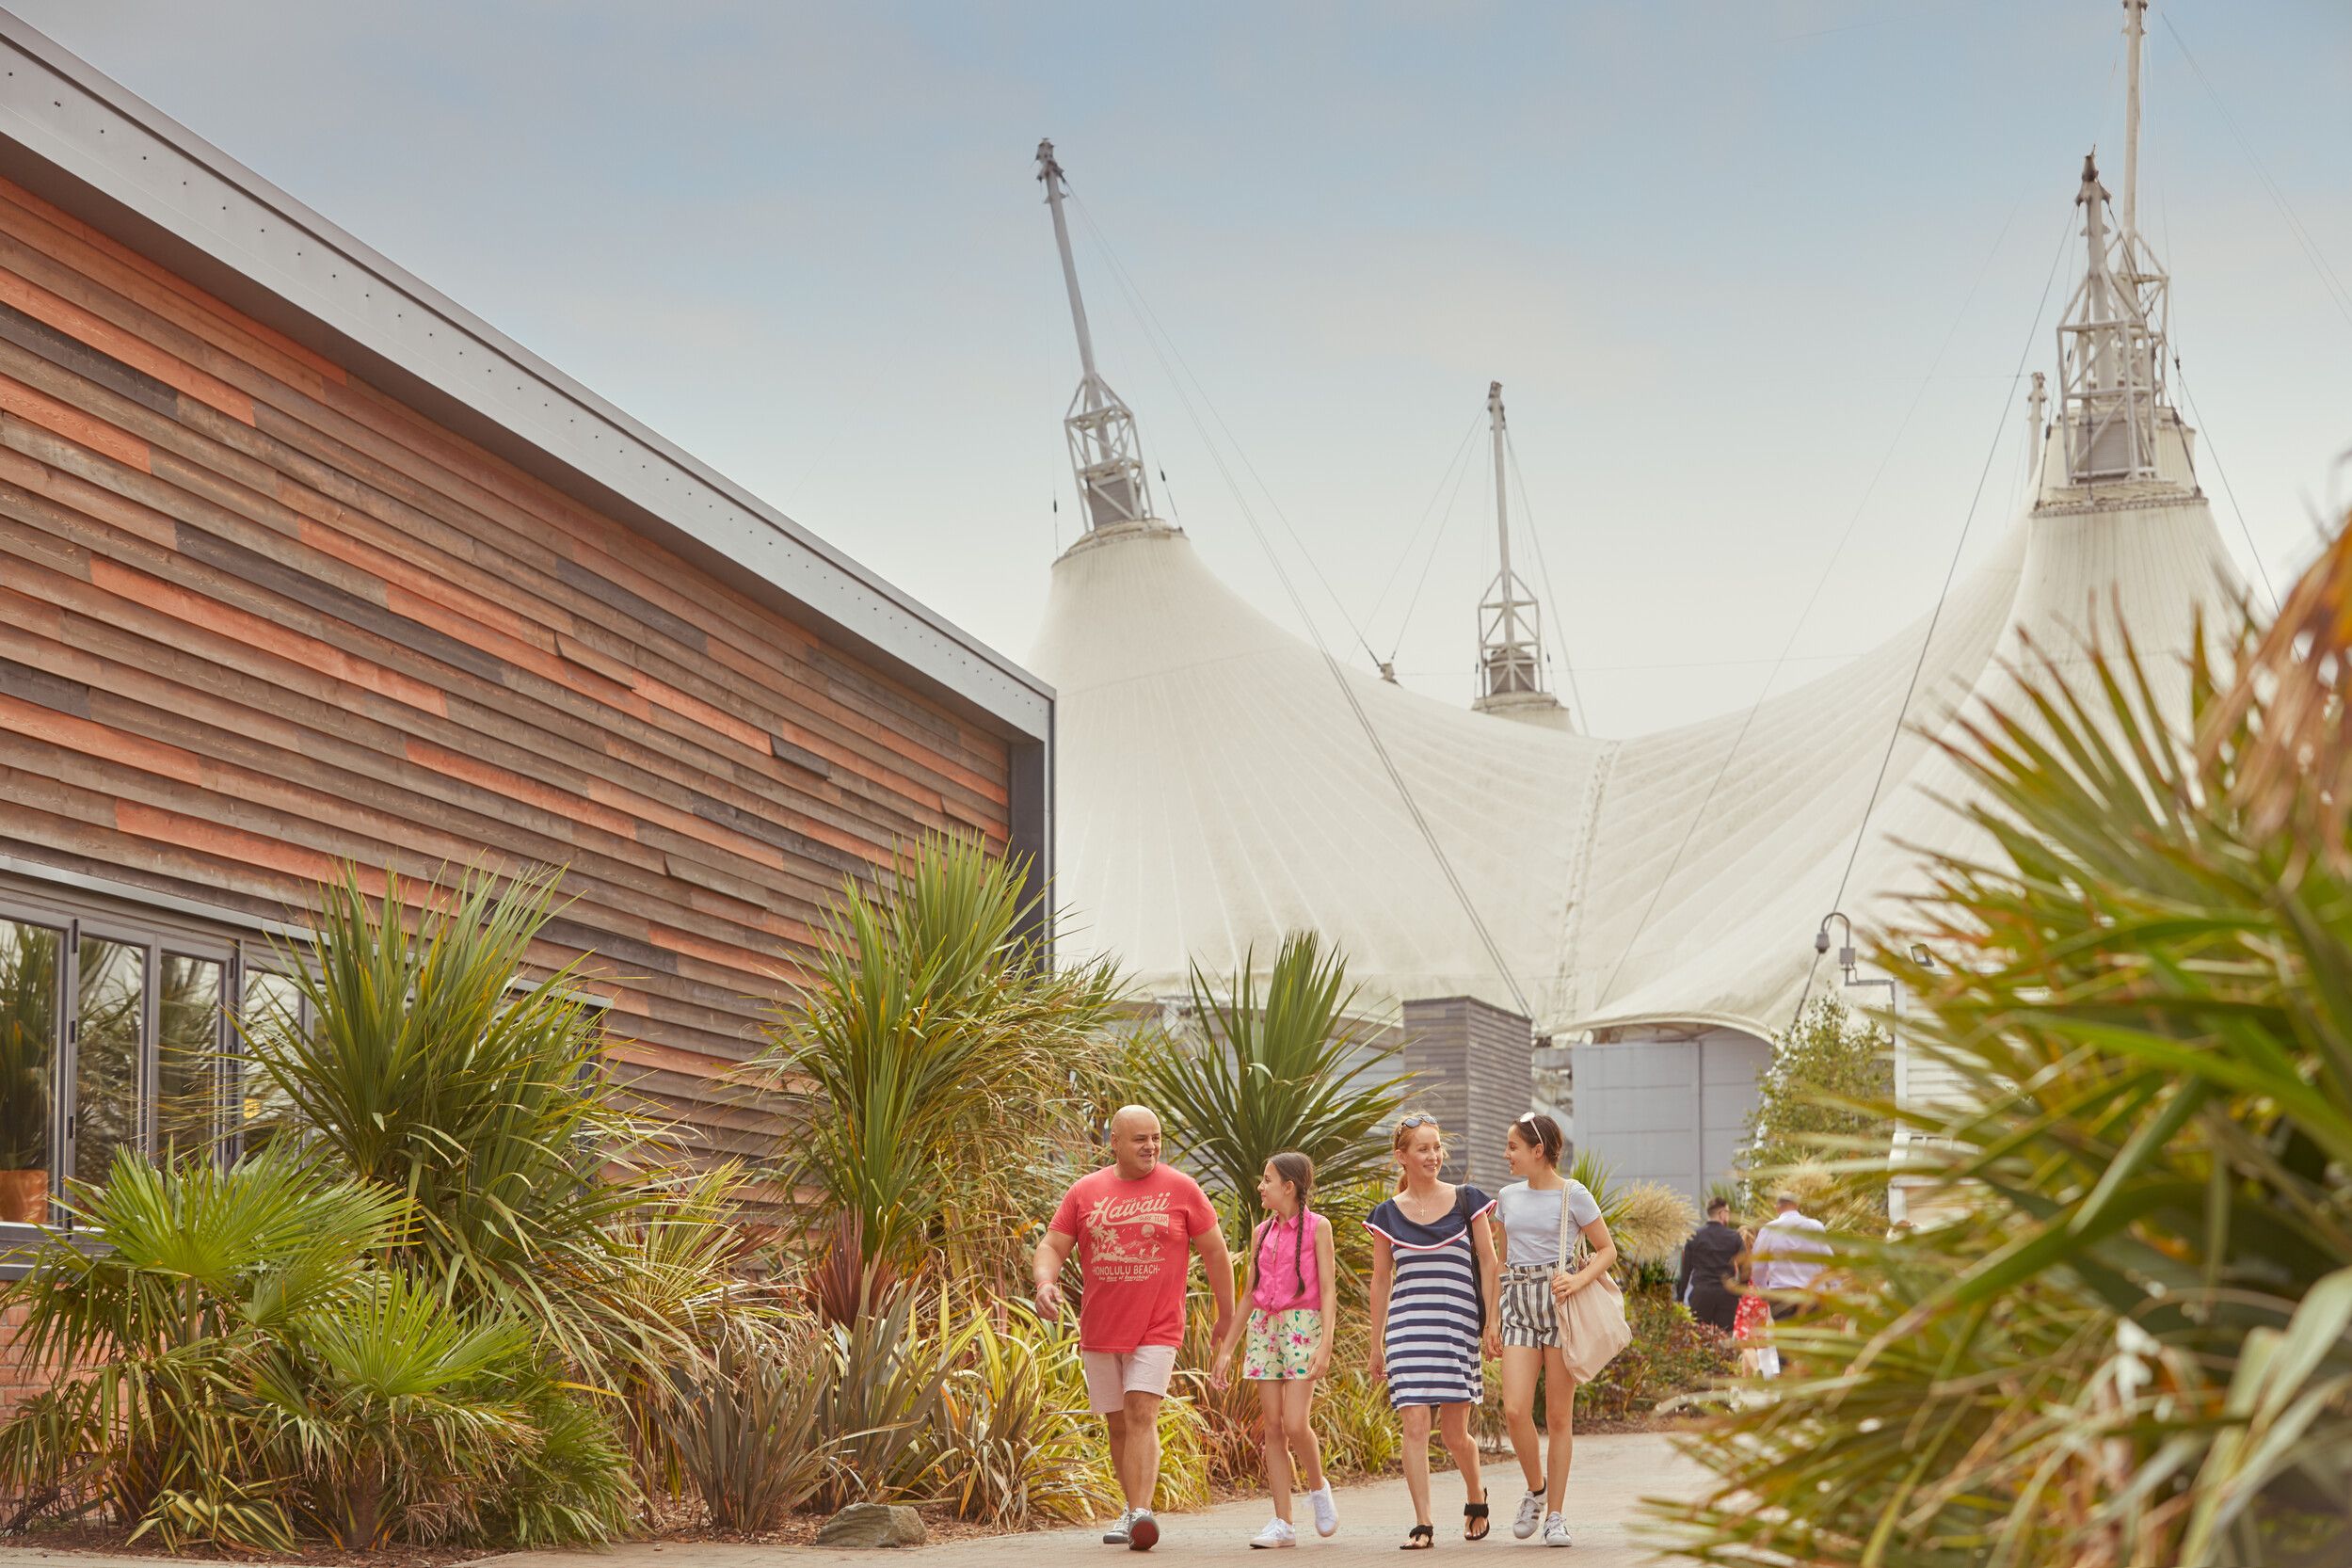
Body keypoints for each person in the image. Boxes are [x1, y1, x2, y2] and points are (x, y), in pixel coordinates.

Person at [1035, 1105, 1235, 1552]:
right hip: (1101, 1327)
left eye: (1156, 1137)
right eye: (1140, 1139)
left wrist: (1226, 1314)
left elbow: (1216, 1252)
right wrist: (1045, 1282)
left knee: (1141, 1411)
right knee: (1118, 1426)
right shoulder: (1085, 1191)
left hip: (1158, 1325)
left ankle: (1142, 1512)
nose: (1151, 1146)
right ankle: (1131, 1510)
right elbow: (1052, 1244)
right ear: (1115, 1143)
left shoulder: (1182, 1189)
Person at [1366, 1114, 1496, 1551]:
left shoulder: (1466, 1201)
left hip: (1456, 1326)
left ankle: (1476, 1495)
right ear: (1401, 1157)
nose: (1433, 1155)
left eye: (1437, 1147)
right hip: (1406, 1328)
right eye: (1423, 1149)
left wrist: (1492, 1321)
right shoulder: (1386, 1215)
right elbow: (1381, 1280)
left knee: (1455, 1435)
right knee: (1416, 1425)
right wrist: (1375, 1344)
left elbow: (1491, 1264)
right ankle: (1423, 1521)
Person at [1488, 1112, 1615, 1550]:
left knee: (1559, 1417)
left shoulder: (1573, 1194)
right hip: (1518, 1303)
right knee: (1516, 1410)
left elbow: (1607, 1249)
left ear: (1538, 1151)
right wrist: (1492, 1318)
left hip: (1561, 1306)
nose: (1507, 1155)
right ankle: (1536, 1489)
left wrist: (1577, 1281)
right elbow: (1500, 1262)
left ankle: (1556, 1516)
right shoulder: (1506, 1196)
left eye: (1513, 1148)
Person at [1210, 1152, 1341, 1548]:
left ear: (1289, 1187)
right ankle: (1283, 1523)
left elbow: (1329, 1290)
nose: (1260, 1186)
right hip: (1264, 1328)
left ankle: (1318, 1489)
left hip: (1303, 1327)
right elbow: (1250, 1293)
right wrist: (1228, 1349)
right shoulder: (1260, 1232)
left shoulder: (1319, 1228)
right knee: (1272, 1428)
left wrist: (1326, 1343)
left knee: (1295, 1423)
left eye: (1267, 1179)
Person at [1749, 1192, 1829, 1316]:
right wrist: (1833, 1288)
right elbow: (1827, 1260)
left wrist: (1764, 1289)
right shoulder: (1816, 1226)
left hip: (1780, 1295)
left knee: (1785, 1334)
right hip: (1811, 1294)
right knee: (1810, 1333)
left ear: (1777, 1208)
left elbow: (1758, 1266)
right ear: (1797, 1205)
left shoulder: (1769, 1229)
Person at [1673, 1198, 1744, 1334]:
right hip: (1727, 1295)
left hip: (1701, 1294)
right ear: (1722, 1213)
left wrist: (1680, 1297)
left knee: (1699, 1337)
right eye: (1728, 1212)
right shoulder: (1734, 1237)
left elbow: (1685, 1271)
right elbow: (1746, 1266)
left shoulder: (1694, 1237)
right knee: (1725, 1339)